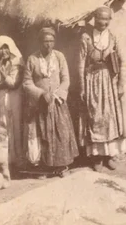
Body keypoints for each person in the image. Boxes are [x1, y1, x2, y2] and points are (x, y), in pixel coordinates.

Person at [76, 6, 126, 171]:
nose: (103, 22)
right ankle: (96, 157)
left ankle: (109, 156)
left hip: (109, 81)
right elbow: (81, 63)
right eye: (100, 19)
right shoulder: (86, 38)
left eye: (107, 19)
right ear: (95, 19)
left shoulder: (113, 37)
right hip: (93, 80)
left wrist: (120, 84)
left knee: (109, 118)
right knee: (95, 117)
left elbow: (122, 60)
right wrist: (83, 87)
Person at [23, 27, 78, 176]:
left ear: (54, 42)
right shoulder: (32, 59)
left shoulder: (59, 57)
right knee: (42, 134)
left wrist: (58, 93)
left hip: (58, 101)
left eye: (51, 41)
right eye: (45, 41)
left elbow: (66, 78)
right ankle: (46, 166)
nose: (48, 44)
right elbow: (27, 82)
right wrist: (41, 94)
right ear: (40, 42)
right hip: (40, 104)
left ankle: (62, 166)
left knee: (61, 133)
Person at [0, 36, 24, 170]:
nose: (3, 52)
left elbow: (13, 84)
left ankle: (18, 160)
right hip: (1, 100)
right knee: (1, 128)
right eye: (0, 49)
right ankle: (4, 161)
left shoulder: (17, 63)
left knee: (15, 127)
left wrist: (2, 75)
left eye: (6, 48)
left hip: (14, 100)